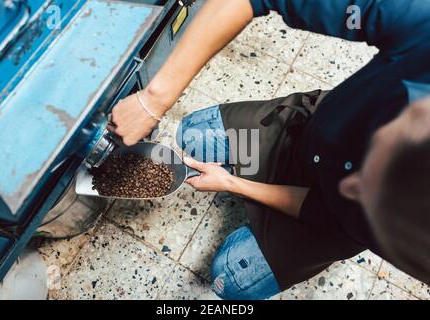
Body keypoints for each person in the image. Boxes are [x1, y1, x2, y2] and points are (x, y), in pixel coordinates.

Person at [109, 0, 430, 299]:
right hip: (298, 135)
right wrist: (154, 99)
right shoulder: (420, 22)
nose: (350, 185)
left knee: (230, 279)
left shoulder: (421, 244)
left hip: (325, 221)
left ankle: (270, 218)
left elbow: (323, 211)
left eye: (371, 197)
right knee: (193, 136)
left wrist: (231, 184)